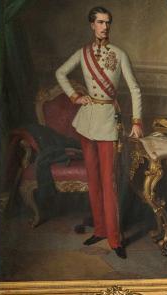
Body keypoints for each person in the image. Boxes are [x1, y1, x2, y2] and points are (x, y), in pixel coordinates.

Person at [55, 6, 143, 259]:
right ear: (92, 25)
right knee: (93, 178)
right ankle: (101, 229)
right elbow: (60, 73)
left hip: (107, 121)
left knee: (108, 181)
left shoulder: (119, 54)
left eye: (108, 23)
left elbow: (135, 89)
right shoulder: (82, 53)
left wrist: (137, 121)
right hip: (86, 121)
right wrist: (74, 96)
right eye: (100, 22)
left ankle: (115, 239)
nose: (105, 27)